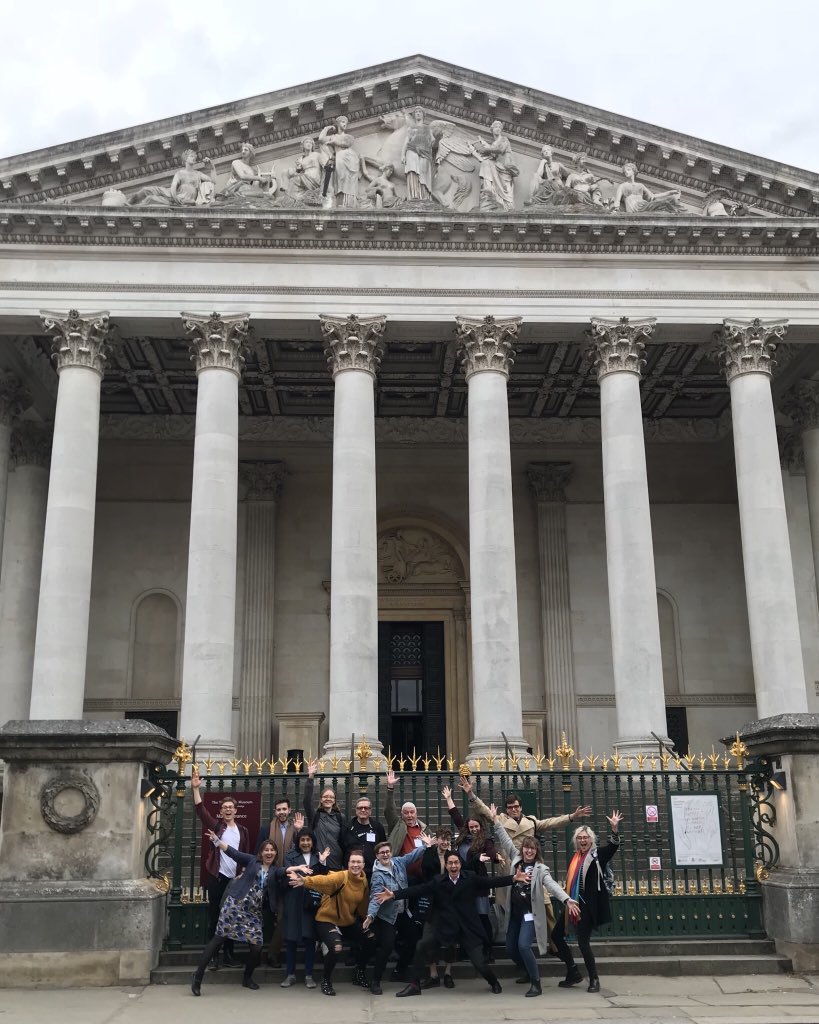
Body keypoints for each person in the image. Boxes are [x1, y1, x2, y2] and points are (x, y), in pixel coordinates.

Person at [377, 852, 529, 997]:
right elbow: (418, 889)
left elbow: (490, 882)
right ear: (447, 865)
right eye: (450, 863)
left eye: (456, 862)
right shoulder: (439, 881)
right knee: (422, 945)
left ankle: (493, 981)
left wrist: (513, 878)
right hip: (445, 926)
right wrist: (395, 894)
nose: (453, 866)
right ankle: (414, 985)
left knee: (479, 963)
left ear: (460, 864)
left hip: (466, 927)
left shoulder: (470, 878)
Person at [463, 777, 590, 932]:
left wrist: (571, 817)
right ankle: (511, 937)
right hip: (510, 868)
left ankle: (554, 941)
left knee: (543, 902)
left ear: (521, 807)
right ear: (506, 809)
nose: (514, 809)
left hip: (530, 866)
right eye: (510, 807)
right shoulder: (500, 819)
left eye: (516, 806)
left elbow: (551, 822)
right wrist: (470, 794)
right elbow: (482, 809)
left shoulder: (531, 822)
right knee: (509, 905)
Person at [488, 803, 579, 998]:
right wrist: (495, 820)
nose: (528, 851)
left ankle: (536, 982)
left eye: (532, 849)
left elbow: (552, 885)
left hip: (529, 915)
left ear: (536, 851)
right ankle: (526, 970)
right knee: (511, 948)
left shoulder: (540, 869)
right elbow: (504, 838)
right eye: (526, 848)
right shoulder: (515, 859)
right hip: (515, 913)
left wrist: (566, 900)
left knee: (523, 945)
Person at [190, 835, 278, 996]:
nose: (269, 853)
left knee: (257, 946)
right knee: (218, 940)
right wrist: (217, 841)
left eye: (272, 850)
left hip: (253, 913)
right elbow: (233, 853)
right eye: (266, 850)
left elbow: (286, 873)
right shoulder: (252, 861)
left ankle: (247, 977)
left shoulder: (274, 871)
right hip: (234, 907)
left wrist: (298, 872)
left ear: (276, 854)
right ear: (261, 852)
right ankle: (198, 977)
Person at [551, 811, 623, 994]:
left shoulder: (597, 855)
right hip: (572, 904)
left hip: (587, 907)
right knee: (556, 935)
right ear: (576, 841)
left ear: (591, 840)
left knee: (583, 943)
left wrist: (614, 829)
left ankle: (594, 979)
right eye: (580, 838)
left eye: (586, 838)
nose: (583, 840)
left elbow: (613, 847)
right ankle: (573, 972)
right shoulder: (576, 858)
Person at [287, 848, 371, 996]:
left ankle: (359, 972)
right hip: (327, 919)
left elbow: (363, 904)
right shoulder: (341, 877)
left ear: (363, 865)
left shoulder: (363, 881)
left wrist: (366, 919)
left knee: (370, 939)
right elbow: (324, 880)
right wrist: (305, 880)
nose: (355, 865)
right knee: (336, 948)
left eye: (359, 862)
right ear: (348, 863)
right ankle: (326, 980)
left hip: (347, 921)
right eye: (353, 861)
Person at [191, 768, 250, 969]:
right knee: (215, 916)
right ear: (221, 811)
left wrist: (242, 874)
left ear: (236, 810)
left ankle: (229, 956)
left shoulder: (243, 831)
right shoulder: (217, 827)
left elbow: (245, 855)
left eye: (230, 807)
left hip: (234, 880)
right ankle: (213, 958)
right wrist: (196, 789)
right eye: (224, 807)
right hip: (217, 877)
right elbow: (201, 811)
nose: (227, 810)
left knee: (231, 916)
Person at [362, 834, 434, 994]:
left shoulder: (399, 863)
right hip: (387, 916)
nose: (386, 854)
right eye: (382, 853)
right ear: (377, 856)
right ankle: (376, 981)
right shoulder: (377, 875)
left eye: (388, 851)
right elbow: (376, 897)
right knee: (386, 947)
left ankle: (399, 971)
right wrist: (370, 916)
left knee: (414, 940)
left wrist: (426, 846)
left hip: (403, 912)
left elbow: (412, 855)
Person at [442, 784, 502, 960]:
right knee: (465, 917)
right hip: (461, 882)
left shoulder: (485, 840)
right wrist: (448, 798)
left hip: (478, 883)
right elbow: (456, 815)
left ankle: (487, 948)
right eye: (471, 827)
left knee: (482, 916)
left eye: (476, 827)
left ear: (481, 827)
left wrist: (495, 857)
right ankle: (466, 949)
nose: (474, 829)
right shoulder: (463, 836)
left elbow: (491, 851)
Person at [276, 828, 330, 989]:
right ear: (298, 842)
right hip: (293, 901)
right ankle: (290, 974)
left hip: (310, 903)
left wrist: (322, 864)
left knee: (309, 939)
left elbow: (324, 879)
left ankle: (308, 975)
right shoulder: (290, 857)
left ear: (313, 842)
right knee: (291, 940)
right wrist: (299, 873)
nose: (305, 843)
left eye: (308, 840)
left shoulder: (317, 857)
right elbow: (287, 877)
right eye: (302, 840)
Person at [303, 760, 346, 869]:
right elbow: (307, 801)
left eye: (331, 797)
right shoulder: (315, 816)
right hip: (317, 860)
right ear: (321, 800)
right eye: (325, 797)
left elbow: (344, 839)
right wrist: (310, 777)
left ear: (334, 801)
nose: (328, 799)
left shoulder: (340, 817)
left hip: (336, 860)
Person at [467, 120, 518, 211]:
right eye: (496, 127)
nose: (498, 129)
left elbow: (501, 149)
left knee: (506, 192)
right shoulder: (494, 144)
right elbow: (491, 156)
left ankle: (505, 206)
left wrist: (486, 148)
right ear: (492, 129)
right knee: (486, 163)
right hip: (497, 166)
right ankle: (488, 190)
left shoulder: (504, 139)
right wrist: (475, 151)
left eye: (499, 127)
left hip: (504, 169)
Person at [341, 794, 387, 876]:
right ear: (356, 810)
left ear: (370, 811)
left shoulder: (377, 827)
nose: (363, 810)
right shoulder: (347, 828)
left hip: (373, 872)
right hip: (352, 872)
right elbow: (342, 848)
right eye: (360, 808)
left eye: (366, 808)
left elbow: (382, 847)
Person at [402, 106, 435, 201]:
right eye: (416, 112)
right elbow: (406, 141)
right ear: (414, 115)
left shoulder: (428, 128)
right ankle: (413, 195)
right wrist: (402, 155)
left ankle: (424, 196)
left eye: (420, 111)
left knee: (423, 173)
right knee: (412, 170)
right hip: (411, 150)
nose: (418, 113)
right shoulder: (411, 128)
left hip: (425, 153)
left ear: (423, 115)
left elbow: (432, 141)